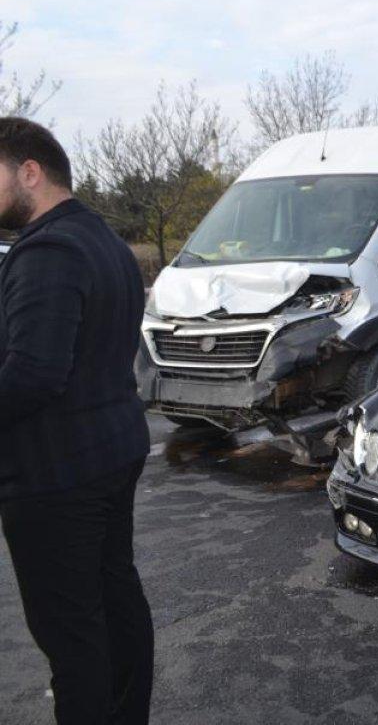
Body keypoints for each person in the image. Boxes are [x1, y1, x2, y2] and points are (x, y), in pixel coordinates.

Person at [0, 118, 153, 724]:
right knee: (114, 600)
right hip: (109, 453)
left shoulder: (49, 250)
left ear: (29, 172)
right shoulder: (103, 240)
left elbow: (34, 374)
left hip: (55, 474)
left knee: (72, 633)